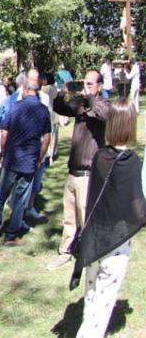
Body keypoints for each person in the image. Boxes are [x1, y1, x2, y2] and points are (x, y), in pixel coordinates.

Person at [49, 99, 146, 338]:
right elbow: (137, 209)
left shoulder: (101, 157)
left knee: (92, 299)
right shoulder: (133, 163)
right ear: (129, 127)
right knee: (99, 311)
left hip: (94, 243)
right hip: (115, 247)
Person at [49, 70, 108, 271]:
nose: (87, 87)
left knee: (87, 219)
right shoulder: (81, 105)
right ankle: (65, 252)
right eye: (85, 83)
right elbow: (59, 107)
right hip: (73, 171)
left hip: (89, 174)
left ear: (100, 86)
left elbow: (105, 114)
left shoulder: (103, 104)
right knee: (69, 218)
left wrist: (89, 96)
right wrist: (62, 92)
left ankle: (92, 256)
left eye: (91, 84)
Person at [0, 70, 51, 246]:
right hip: (29, 161)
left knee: (1, 195)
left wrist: (2, 152)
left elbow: (4, 133)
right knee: (20, 199)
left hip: (12, 159)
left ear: (24, 90)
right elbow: (47, 138)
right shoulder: (43, 110)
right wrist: (40, 158)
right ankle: (11, 235)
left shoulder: (15, 107)